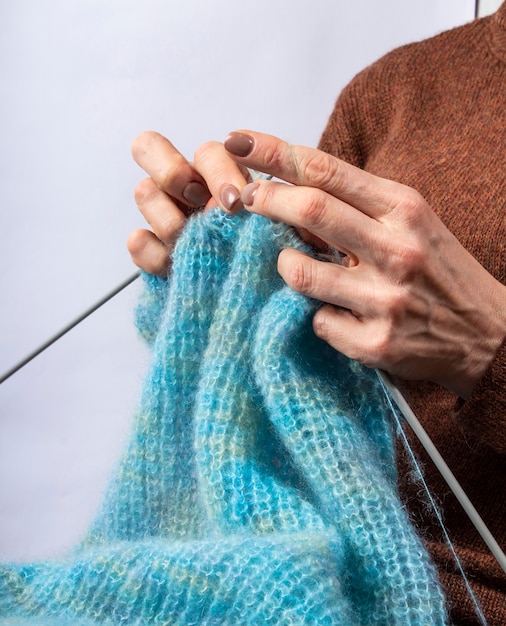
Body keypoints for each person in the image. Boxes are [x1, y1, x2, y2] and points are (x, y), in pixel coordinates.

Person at [127, 4, 506, 624]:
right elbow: (304, 377)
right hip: (319, 582)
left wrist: (491, 348)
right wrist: (218, 300)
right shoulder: (395, 89)